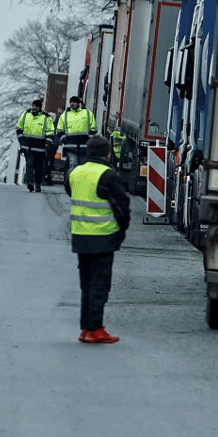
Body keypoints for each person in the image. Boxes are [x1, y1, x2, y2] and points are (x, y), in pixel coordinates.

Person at [64, 135, 130, 344]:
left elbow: (70, 192)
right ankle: (95, 329)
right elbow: (121, 206)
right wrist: (121, 230)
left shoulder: (75, 173)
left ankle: (86, 327)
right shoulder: (107, 175)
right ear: (107, 153)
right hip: (103, 237)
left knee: (87, 285)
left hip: (80, 237)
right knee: (100, 285)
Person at [16, 99, 55, 192]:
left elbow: (50, 132)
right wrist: (21, 140)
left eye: (36, 106)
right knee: (29, 164)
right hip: (27, 146)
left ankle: (38, 183)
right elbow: (19, 128)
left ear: (40, 108)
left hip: (40, 147)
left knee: (38, 167)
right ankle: (29, 182)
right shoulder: (25, 115)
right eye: (33, 106)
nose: (34, 108)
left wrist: (48, 143)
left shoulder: (46, 118)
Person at [57, 96, 97, 172]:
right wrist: (64, 140)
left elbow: (93, 129)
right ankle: (72, 182)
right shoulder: (64, 115)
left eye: (74, 102)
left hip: (84, 146)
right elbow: (59, 131)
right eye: (71, 102)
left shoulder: (88, 114)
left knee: (83, 166)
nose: (72, 104)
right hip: (70, 146)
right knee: (73, 164)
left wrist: (89, 141)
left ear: (79, 103)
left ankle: (80, 182)